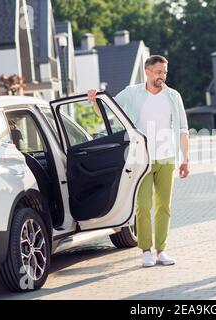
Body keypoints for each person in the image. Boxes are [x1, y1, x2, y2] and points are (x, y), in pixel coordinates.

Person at [88, 55, 190, 267]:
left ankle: (161, 251)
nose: (162, 76)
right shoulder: (131, 92)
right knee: (142, 206)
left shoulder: (173, 96)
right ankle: (145, 251)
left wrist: (185, 159)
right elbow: (108, 112)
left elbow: (183, 129)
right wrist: (94, 101)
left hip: (166, 157)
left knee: (164, 206)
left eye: (165, 72)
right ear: (148, 71)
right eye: (159, 72)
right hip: (140, 159)